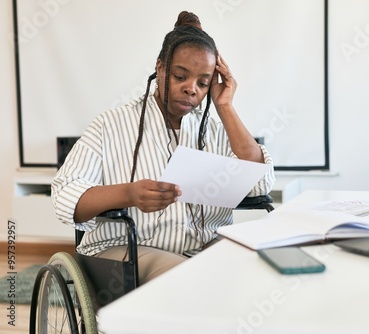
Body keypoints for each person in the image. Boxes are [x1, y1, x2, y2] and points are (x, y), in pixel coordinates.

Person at [52, 11, 275, 284]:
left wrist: (225, 106)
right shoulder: (110, 125)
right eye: (180, 76)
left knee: (257, 268)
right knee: (187, 279)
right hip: (124, 252)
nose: (191, 89)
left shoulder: (216, 132)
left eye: (202, 83)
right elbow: (65, 196)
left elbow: (259, 184)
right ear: (160, 68)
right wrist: (129, 193)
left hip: (199, 250)